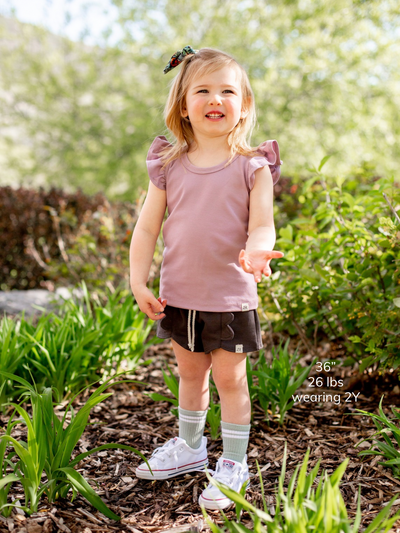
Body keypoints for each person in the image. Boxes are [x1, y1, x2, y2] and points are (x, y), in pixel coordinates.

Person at [129, 46, 284, 510]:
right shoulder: (169, 165)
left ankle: (234, 464)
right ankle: (191, 448)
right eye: (203, 90)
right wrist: (139, 280)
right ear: (183, 105)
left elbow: (262, 224)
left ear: (244, 106)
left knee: (231, 382)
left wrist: (257, 251)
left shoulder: (253, 166)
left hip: (231, 298)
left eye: (227, 91)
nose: (216, 98)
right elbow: (146, 227)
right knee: (189, 375)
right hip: (181, 295)